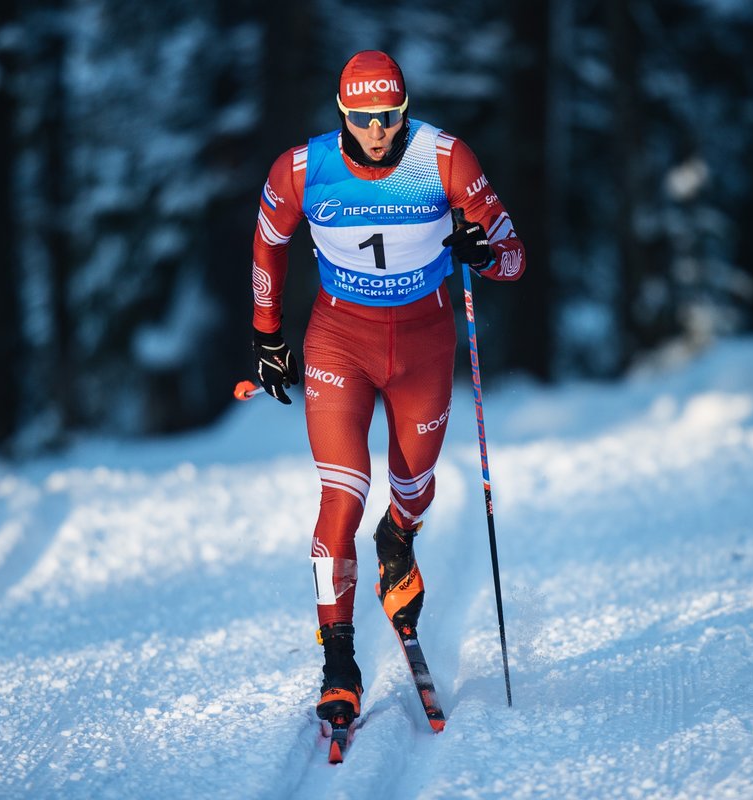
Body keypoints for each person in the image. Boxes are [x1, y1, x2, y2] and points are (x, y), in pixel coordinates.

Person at [249, 50, 526, 725]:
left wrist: (482, 253)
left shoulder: (444, 159)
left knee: (413, 484)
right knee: (342, 493)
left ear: (405, 110)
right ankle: (338, 664)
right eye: (365, 118)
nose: (378, 130)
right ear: (342, 113)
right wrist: (267, 332)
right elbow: (267, 240)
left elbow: (514, 257)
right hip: (339, 342)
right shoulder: (301, 170)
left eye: (391, 116)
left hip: (424, 346)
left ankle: (397, 540)